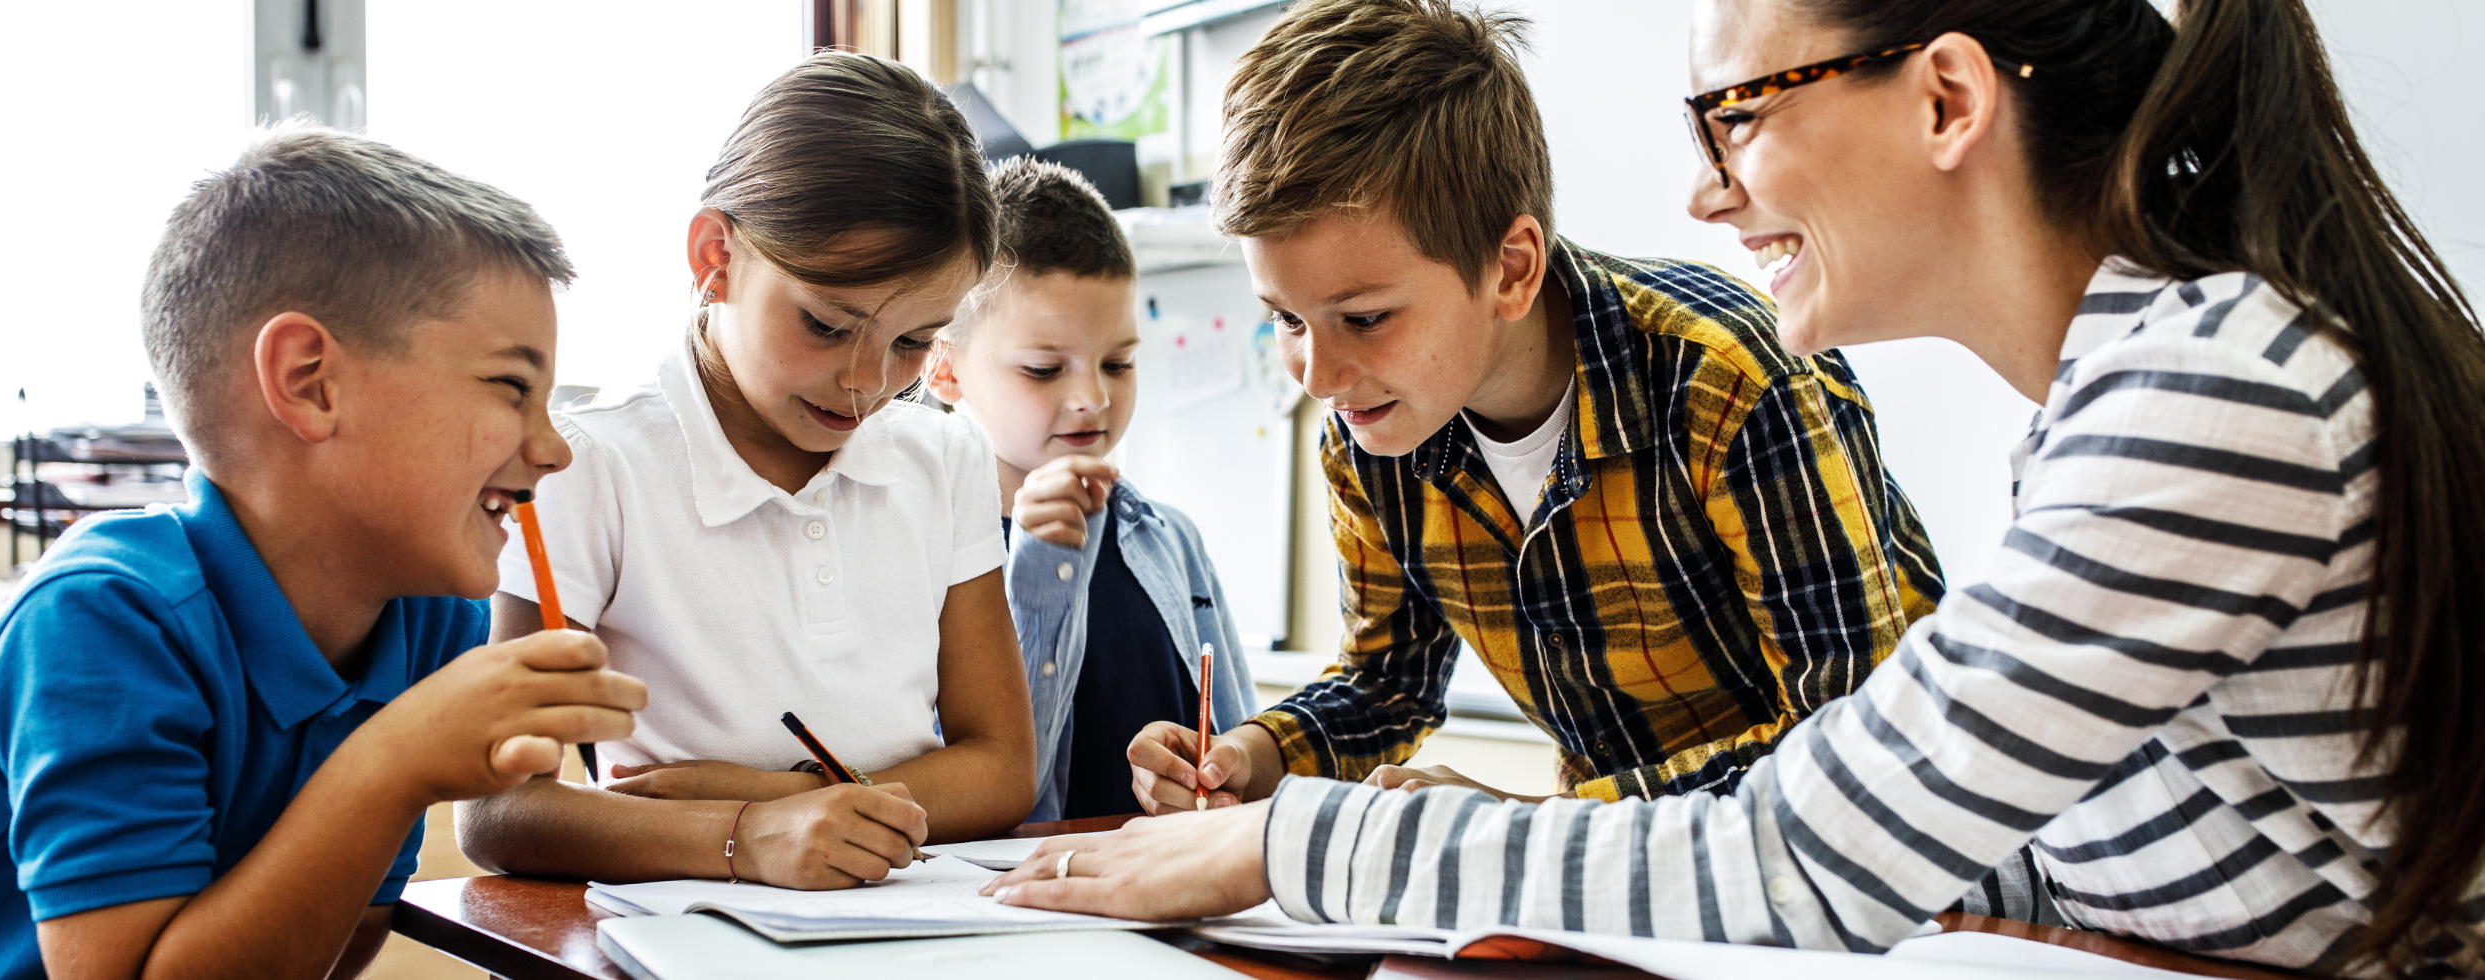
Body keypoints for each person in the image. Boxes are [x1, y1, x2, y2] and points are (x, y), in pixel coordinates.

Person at [987, 0, 2485, 973]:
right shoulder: (2137, 386)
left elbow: (1803, 847)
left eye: (1740, 115)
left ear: (1948, 100)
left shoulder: (2213, 391)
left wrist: (1283, 840)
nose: (1707, 190)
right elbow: (2092, 843)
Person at [1121, 0, 1941, 816]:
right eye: (1287, 318)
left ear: (1512, 270)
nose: (1319, 375)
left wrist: (1527, 826)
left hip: (1881, 866)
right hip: (1615, 869)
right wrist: (1247, 756)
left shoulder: (1726, 379)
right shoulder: (1373, 426)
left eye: (1365, 318)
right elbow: (1387, 684)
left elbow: (1850, 741)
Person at [0, 127, 647, 979]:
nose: (554, 449)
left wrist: (402, 760)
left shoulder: (429, 623)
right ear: (310, 381)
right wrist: (396, 761)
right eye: (511, 387)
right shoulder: (101, 619)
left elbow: (327, 955)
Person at [454, 53, 1037, 890]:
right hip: (683, 931)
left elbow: (1003, 769)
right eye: (828, 325)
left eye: (914, 341)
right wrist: (747, 835)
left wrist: (786, 798)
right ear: (715, 255)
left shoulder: (944, 455)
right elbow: (499, 810)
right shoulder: (589, 465)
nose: (868, 382)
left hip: (903, 920)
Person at [923, 158, 1258, 823]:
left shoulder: (1169, 537)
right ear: (943, 371)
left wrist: (1225, 774)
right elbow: (984, 796)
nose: (1093, 398)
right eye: (1045, 370)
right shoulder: (922, 553)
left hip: (1168, 892)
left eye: (1119, 362)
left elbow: (1242, 743)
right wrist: (1040, 567)